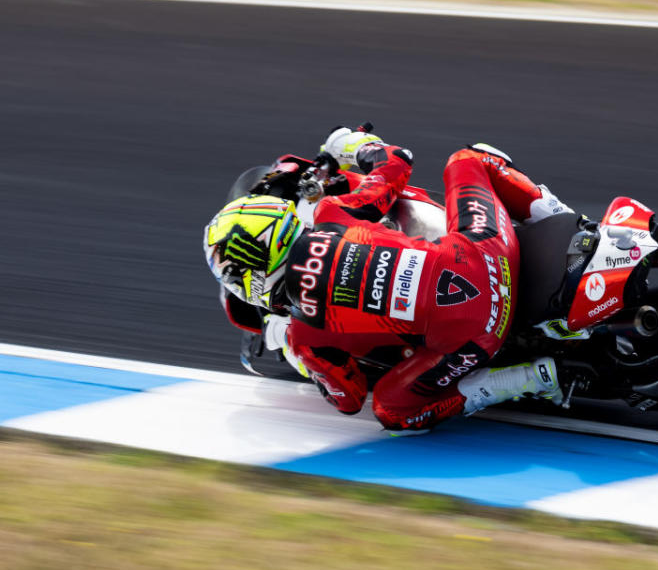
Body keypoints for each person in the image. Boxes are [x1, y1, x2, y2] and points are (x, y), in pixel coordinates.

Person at [204, 127, 575, 432]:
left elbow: (348, 399)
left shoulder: (303, 335)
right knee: (469, 159)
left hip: (476, 337)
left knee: (390, 411)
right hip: (489, 255)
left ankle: (531, 378)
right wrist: (354, 146)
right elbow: (398, 161)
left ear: (250, 276)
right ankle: (557, 218)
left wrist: (283, 340)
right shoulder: (334, 212)